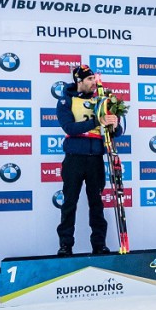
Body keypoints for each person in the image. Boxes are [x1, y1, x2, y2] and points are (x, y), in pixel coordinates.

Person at [56, 65, 122, 256]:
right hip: (74, 159)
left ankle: (99, 244)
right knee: (69, 203)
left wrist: (114, 124)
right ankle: (65, 245)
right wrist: (97, 121)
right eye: (90, 80)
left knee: (97, 204)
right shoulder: (65, 101)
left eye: (94, 79)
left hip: (96, 159)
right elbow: (70, 128)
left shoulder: (101, 100)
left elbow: (115, 132)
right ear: (79, 81)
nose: (94, 83)